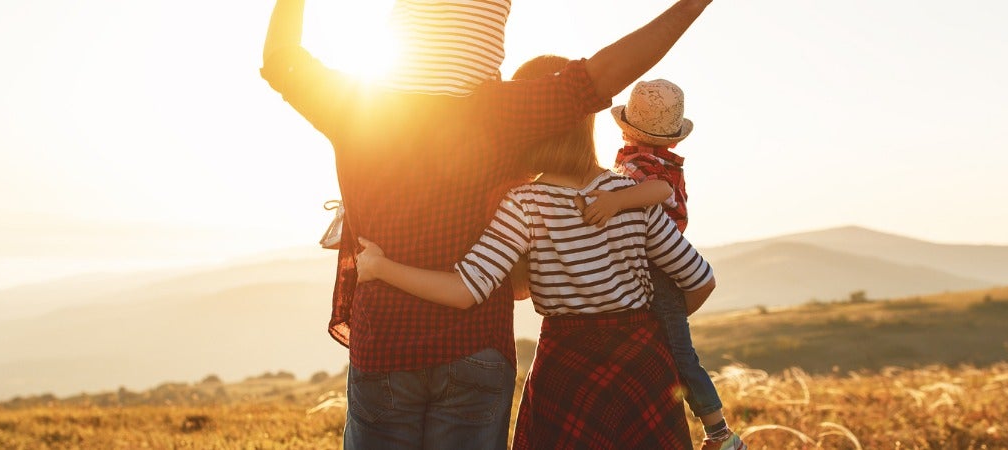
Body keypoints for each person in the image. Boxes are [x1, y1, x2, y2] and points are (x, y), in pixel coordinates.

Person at [259, 0, 719, 447]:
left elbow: (281, 59)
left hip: (385, 345)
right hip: (476, 345)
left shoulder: (354, 106)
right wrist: (690, 6)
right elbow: (600, 75)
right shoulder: (501, 113)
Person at [355, 54, 718, 450]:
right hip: (643, 367)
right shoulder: (630, 195)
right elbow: (700, 280)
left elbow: (465, 290)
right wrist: (644, 330)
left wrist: (380, 266)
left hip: (568, 373)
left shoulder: (525, 203)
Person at [578, 78, 744, 449]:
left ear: (627, 129)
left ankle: (720, 433)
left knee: (680, 353)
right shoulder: (654, 160)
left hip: (658, 268)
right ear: (673, 138)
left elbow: (659, 191)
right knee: (669, 346)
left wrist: (614, 202)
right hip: (661, 267)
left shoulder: (642, 164)